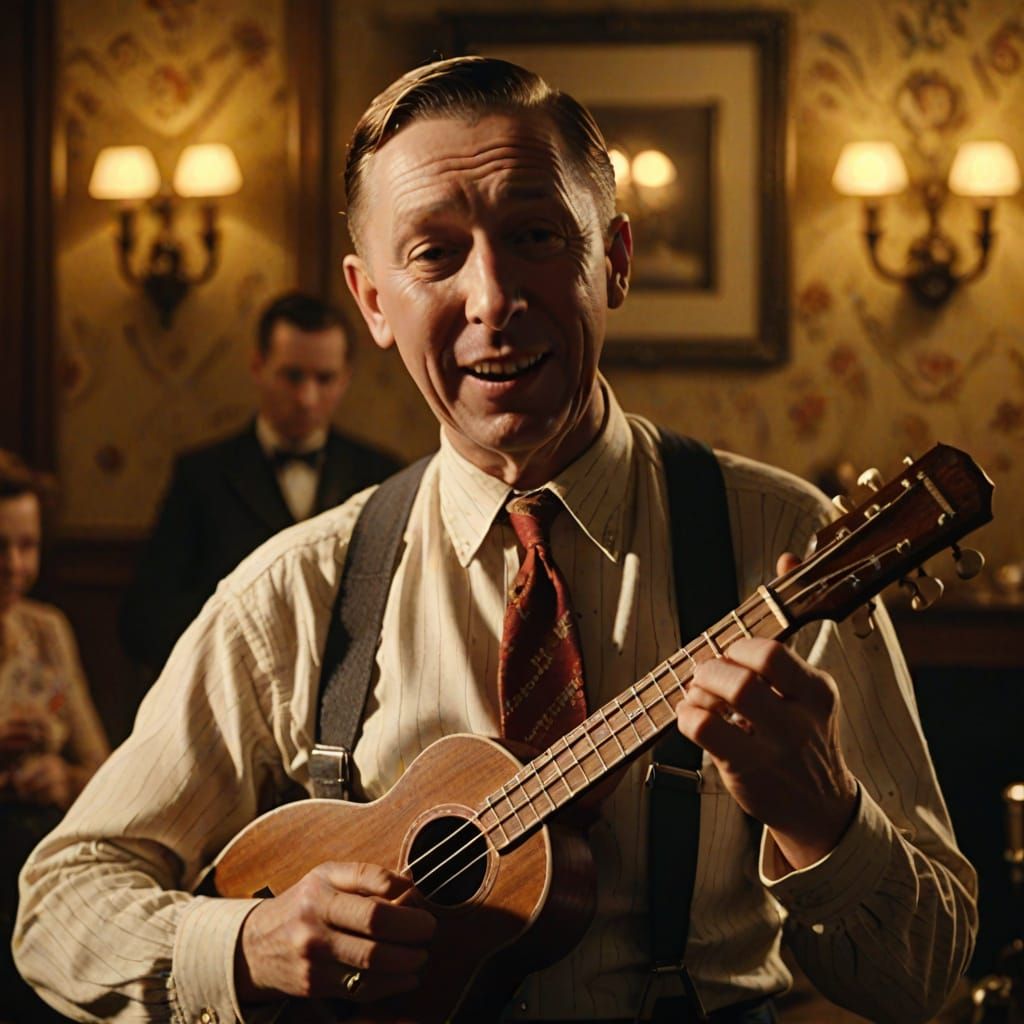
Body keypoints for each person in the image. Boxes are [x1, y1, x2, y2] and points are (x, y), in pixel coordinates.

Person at [15, 57, 977, 1024]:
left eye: (535, 237)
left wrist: (823, 818)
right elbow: (59, 904)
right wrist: (246, 943)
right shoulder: (295, 590)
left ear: (615, 259)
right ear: (373, 302)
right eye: (435, 253)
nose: (492, 297)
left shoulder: (783, 542)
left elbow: (922, 977)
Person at [119, 290, 402, 675]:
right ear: (258, 366)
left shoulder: (381, 473)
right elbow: (145, 620)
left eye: (325, 378)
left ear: (346, 378)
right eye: (292, 376)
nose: (306, 398)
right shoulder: (201, 475)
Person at [0, 451, 110, 1023]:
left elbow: (104, 771)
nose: (15, 566)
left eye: (28, 546)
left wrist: (63, 778)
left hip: (39, 862)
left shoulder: (46, 630)